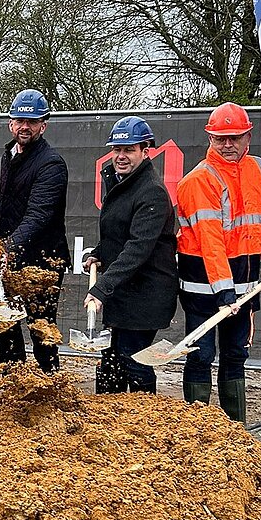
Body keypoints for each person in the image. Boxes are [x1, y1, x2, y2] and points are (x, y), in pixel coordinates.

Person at [175, 102, 261, 422]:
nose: (227, 145)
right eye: (220, 138)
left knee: (236, 354)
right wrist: (224, 292)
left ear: (248, 137)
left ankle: (234, 430)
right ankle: (198, 429)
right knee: (202, 355)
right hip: (203, 285)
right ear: (210, 139)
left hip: (245, 283)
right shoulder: (200, 179)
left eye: (235, 137)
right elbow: (210, 240)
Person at [82, 116, 178, 395]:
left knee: (135, 361)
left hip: (146, 294)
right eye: (117, 150)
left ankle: (142, 423)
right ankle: (107, 418)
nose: (121, 156)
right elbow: (119, 232)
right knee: (112, 361)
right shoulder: (121, 182)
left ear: (145, 151)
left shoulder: (151, 192)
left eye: (129, 150)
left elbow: (138, 248)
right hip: (125, 291)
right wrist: (100, 252)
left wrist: (101, 288)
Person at [0, 89, 70, 373]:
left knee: (41, 329)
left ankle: (49, 387)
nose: (25, 127)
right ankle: (12, 385)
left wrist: (6, 247)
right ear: (10, 123)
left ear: (44, 124)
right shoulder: (10, 154)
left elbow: (38, 215)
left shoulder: (52, 164)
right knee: (5, 327)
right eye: (20, 120)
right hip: (11, 258)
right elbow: (6, 196)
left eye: (32, 121)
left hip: (42, 262)